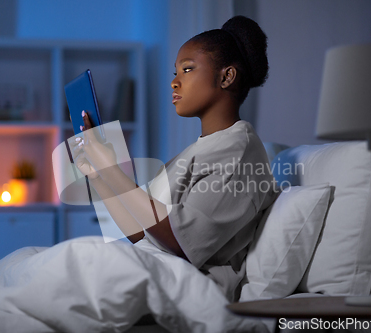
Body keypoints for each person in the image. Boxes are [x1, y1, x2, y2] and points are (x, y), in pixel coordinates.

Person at [72, 15, 277, 302]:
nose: (174, 83)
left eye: (187, 69)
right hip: (152, 270)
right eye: (175, 72)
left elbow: (181, 242)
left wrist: (110, 168)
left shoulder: (240, 152)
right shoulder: (199, 150)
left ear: (226, 77)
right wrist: (98, 176)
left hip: (184, 289)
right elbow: (142, 234)